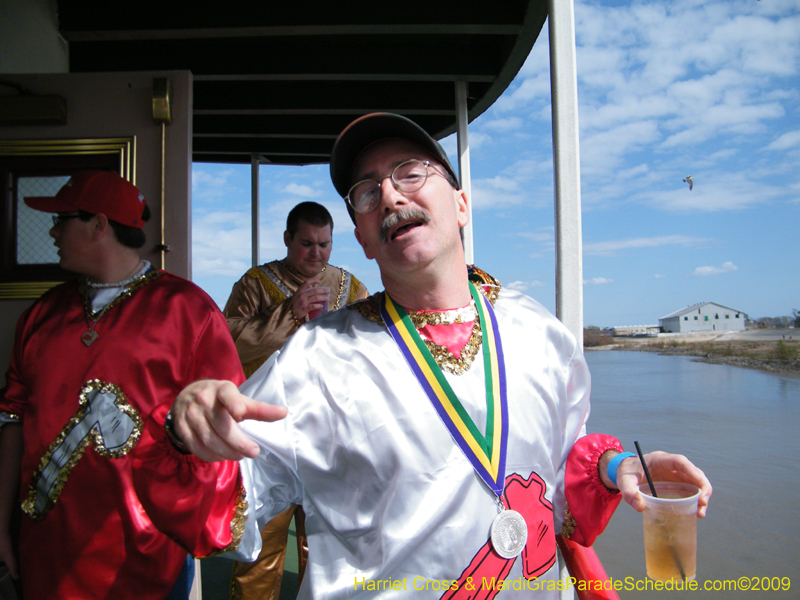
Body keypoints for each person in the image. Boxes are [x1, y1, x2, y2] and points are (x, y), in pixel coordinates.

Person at [131, 114, 712, 599]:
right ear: (361, 237)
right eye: (366, 190)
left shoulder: (540, 331)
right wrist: (187, 437)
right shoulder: (315, 358)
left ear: (461, 204)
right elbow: (226, 506)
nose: (389, 194)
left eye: (411, 173)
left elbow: (555, 469)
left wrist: (617, 469)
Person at [0, 171, 245, 600]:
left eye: (62, 219)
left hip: (147, 553)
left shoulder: (188, 312)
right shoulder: (41, 317)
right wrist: (1, 523)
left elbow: (221, 438)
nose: (53, 231)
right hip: (47, 551)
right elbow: (13, 420)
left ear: (98, 225)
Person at [222, 201, 368, 599]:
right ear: (288, 239)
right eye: (306, 243)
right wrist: (289, 312)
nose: (316, 253)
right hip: (270, 434)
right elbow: (228, 342)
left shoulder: (351, 288)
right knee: (261, 541)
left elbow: (372, 353)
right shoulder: (256, 283)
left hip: (331, 432)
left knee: (327, 545)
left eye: (324, 244)